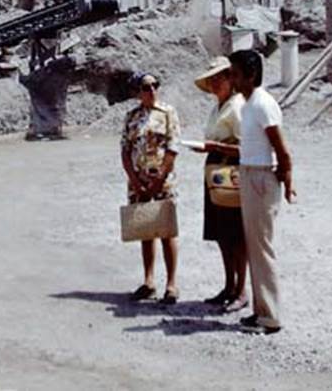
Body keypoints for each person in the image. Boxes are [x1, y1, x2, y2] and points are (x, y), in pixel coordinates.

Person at [227, 49, 296, 335]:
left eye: (234, 73)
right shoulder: (248, 105)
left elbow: (282, 149)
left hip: (260, 178)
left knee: (261, 249)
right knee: (254, 247)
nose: (231, 79)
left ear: (250, 75)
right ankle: (260, 311)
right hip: (250, 174)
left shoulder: (262, 104)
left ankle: (270, 317)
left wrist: (286, 180)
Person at [192, 57, 248, 312]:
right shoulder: (218, 107)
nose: (215, 83)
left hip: (231, 168)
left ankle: (241, 289)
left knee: (236, 233)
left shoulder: (237, 107)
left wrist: (216, 147)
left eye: (219, 78)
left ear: (230, 79)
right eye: (212, 79)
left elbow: (246, 146)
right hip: (215, 167)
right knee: (222, 233)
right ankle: (229, 285)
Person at [120, 72, 181, 304]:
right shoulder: (131, 117)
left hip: (162, 182)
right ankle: (148, 281)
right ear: (138, 92)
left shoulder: (168, 114)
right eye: (146, 87)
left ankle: (172, 284)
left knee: (167, 231)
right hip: (138, 182)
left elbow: (173, 148)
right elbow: (125, 149)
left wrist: (158, 180)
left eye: (155, 85)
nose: (152, 90)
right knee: (146, 230)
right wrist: (135, 181)